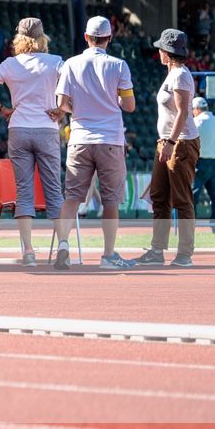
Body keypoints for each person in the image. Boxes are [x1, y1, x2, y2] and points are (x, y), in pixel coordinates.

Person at [0, 18, 64, 265]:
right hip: (47, 129)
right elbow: (73, 89)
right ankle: (63, 246)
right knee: (54, 190)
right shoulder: (56, 62)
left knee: (24, 192)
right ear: (42, 37)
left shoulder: (10, 64)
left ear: (19, 39)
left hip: (19, 129)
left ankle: (29, 252)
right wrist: (63, 109)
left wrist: (2, 109)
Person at [52, 16, 138, 270]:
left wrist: (75, 107)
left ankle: (63, 245)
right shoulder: (119, 65)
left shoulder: (71, 63)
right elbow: (129, 106)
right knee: (110, 201)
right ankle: (108, 255)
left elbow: (61, 103)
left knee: (72, 199)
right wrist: (114, 100)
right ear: (109, 39)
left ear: (86, 37)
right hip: (110, 139)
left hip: (79, 138)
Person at [136, 29, 199, 267]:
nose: (158, 52)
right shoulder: (173, 73)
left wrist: (171, 143)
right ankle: (157, 249)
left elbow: (184, 112)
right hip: (168, 141)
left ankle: (184, 253)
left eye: (160, 49)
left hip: (180, 142)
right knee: (159, 196)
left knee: (182, 199)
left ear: (167, 52)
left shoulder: (180, 75)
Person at [192, 96, 215, 235]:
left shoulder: (196, 122)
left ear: (197, 109)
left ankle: (189, 226)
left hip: (201, 162)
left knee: (193, 195)